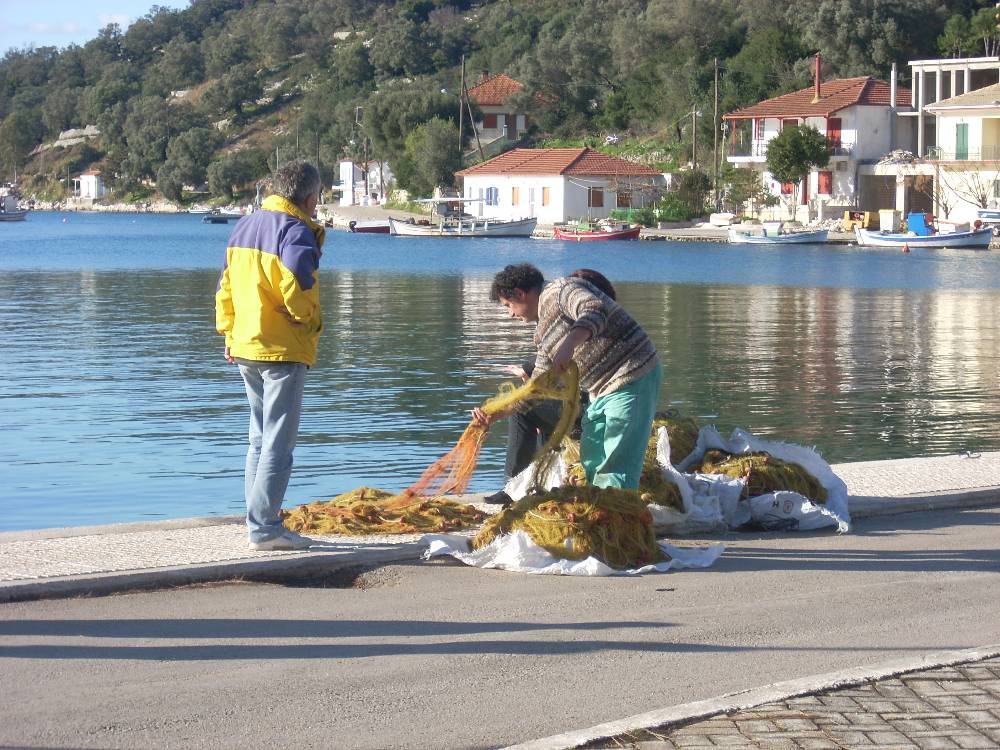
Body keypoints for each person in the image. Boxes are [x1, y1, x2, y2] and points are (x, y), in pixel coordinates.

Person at [215, 160, 325, 551]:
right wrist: (309, 322)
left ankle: (256, 520)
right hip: (282, 349)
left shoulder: (244, 225)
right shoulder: (294, 230)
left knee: (258, 440)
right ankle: (264, 528)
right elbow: (298, 286)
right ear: (310, 197)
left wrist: (227, 332)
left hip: (245, 345)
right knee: (278, 443)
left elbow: (224, 288)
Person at [479, 263, 662, 490]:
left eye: (508, 305)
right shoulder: (542, 332)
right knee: (592, 458)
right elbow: (539, 386)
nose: (510, 314)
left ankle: (618, 513)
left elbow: (594, 309)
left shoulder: (561, 290)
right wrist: (496, 413)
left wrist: (569, 344)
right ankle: (602, 509)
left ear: (520, 293)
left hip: (632, 373)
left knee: (615, 463)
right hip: (600, 389)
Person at [484, 269, 619, 506]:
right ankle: (529, 482)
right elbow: (548, 370)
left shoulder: (574, 316)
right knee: (533, 400)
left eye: (508, 306)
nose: (509, 315)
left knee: (523, 412)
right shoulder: (559, 322)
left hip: (587, 406)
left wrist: (504, 407)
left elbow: (563, 371)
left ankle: (514, 486)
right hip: (588, 400)